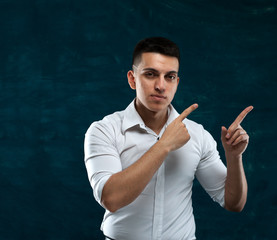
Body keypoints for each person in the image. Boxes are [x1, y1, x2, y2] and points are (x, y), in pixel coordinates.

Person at [84, 37, 253, 240]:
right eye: (150, 74)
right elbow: (110, 198)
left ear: (177, 82)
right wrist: (164, 144)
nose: (161, 86)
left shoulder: (197, 135)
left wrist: (234, 157)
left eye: (170, 77)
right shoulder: (104, 130)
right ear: (132, 79)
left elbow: (233, 203)